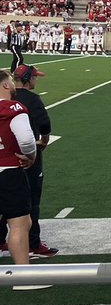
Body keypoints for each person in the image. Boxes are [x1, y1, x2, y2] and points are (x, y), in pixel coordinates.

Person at [0, 70, 50, 287]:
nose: (13, 83)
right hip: (8, 169)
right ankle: (24, 277)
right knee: (20, 223)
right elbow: (28, 140)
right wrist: (30, 157)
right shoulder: (13, 108)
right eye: (10, 80)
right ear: (4, 85)